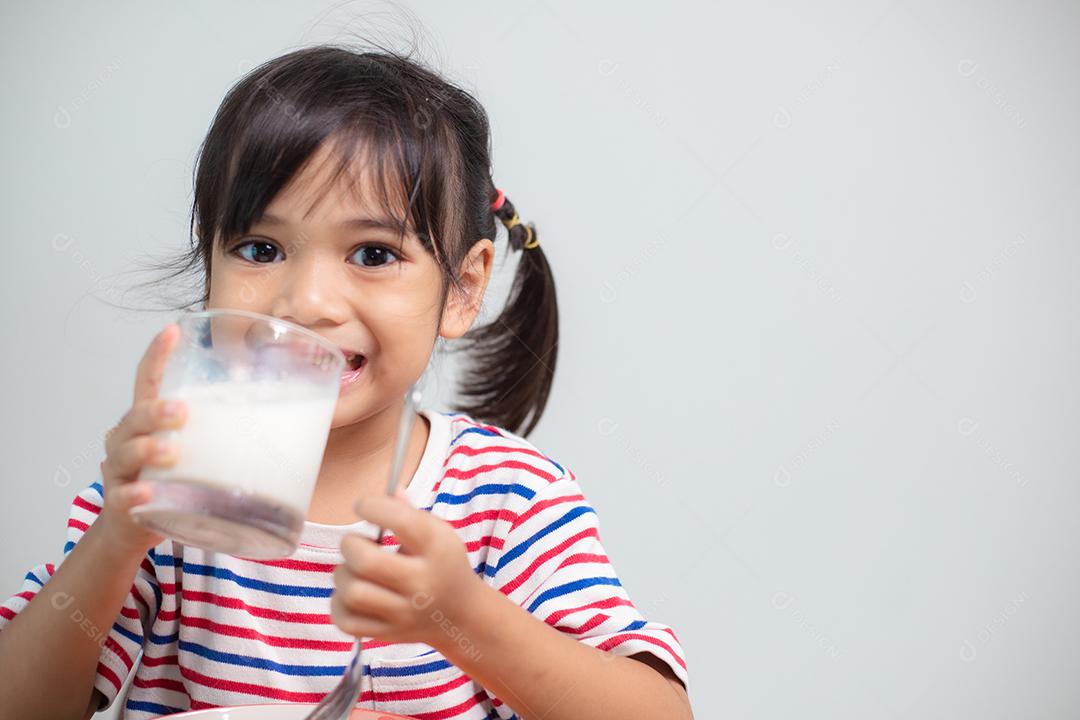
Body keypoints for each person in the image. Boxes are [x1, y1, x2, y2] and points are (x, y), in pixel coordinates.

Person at [0, 44, 690, 720]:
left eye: (372, 253)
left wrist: (467, 619)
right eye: (260, 250)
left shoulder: (508, 499)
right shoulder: (171, 485)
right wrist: (118, 536)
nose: (307, 302)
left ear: (463, 289)